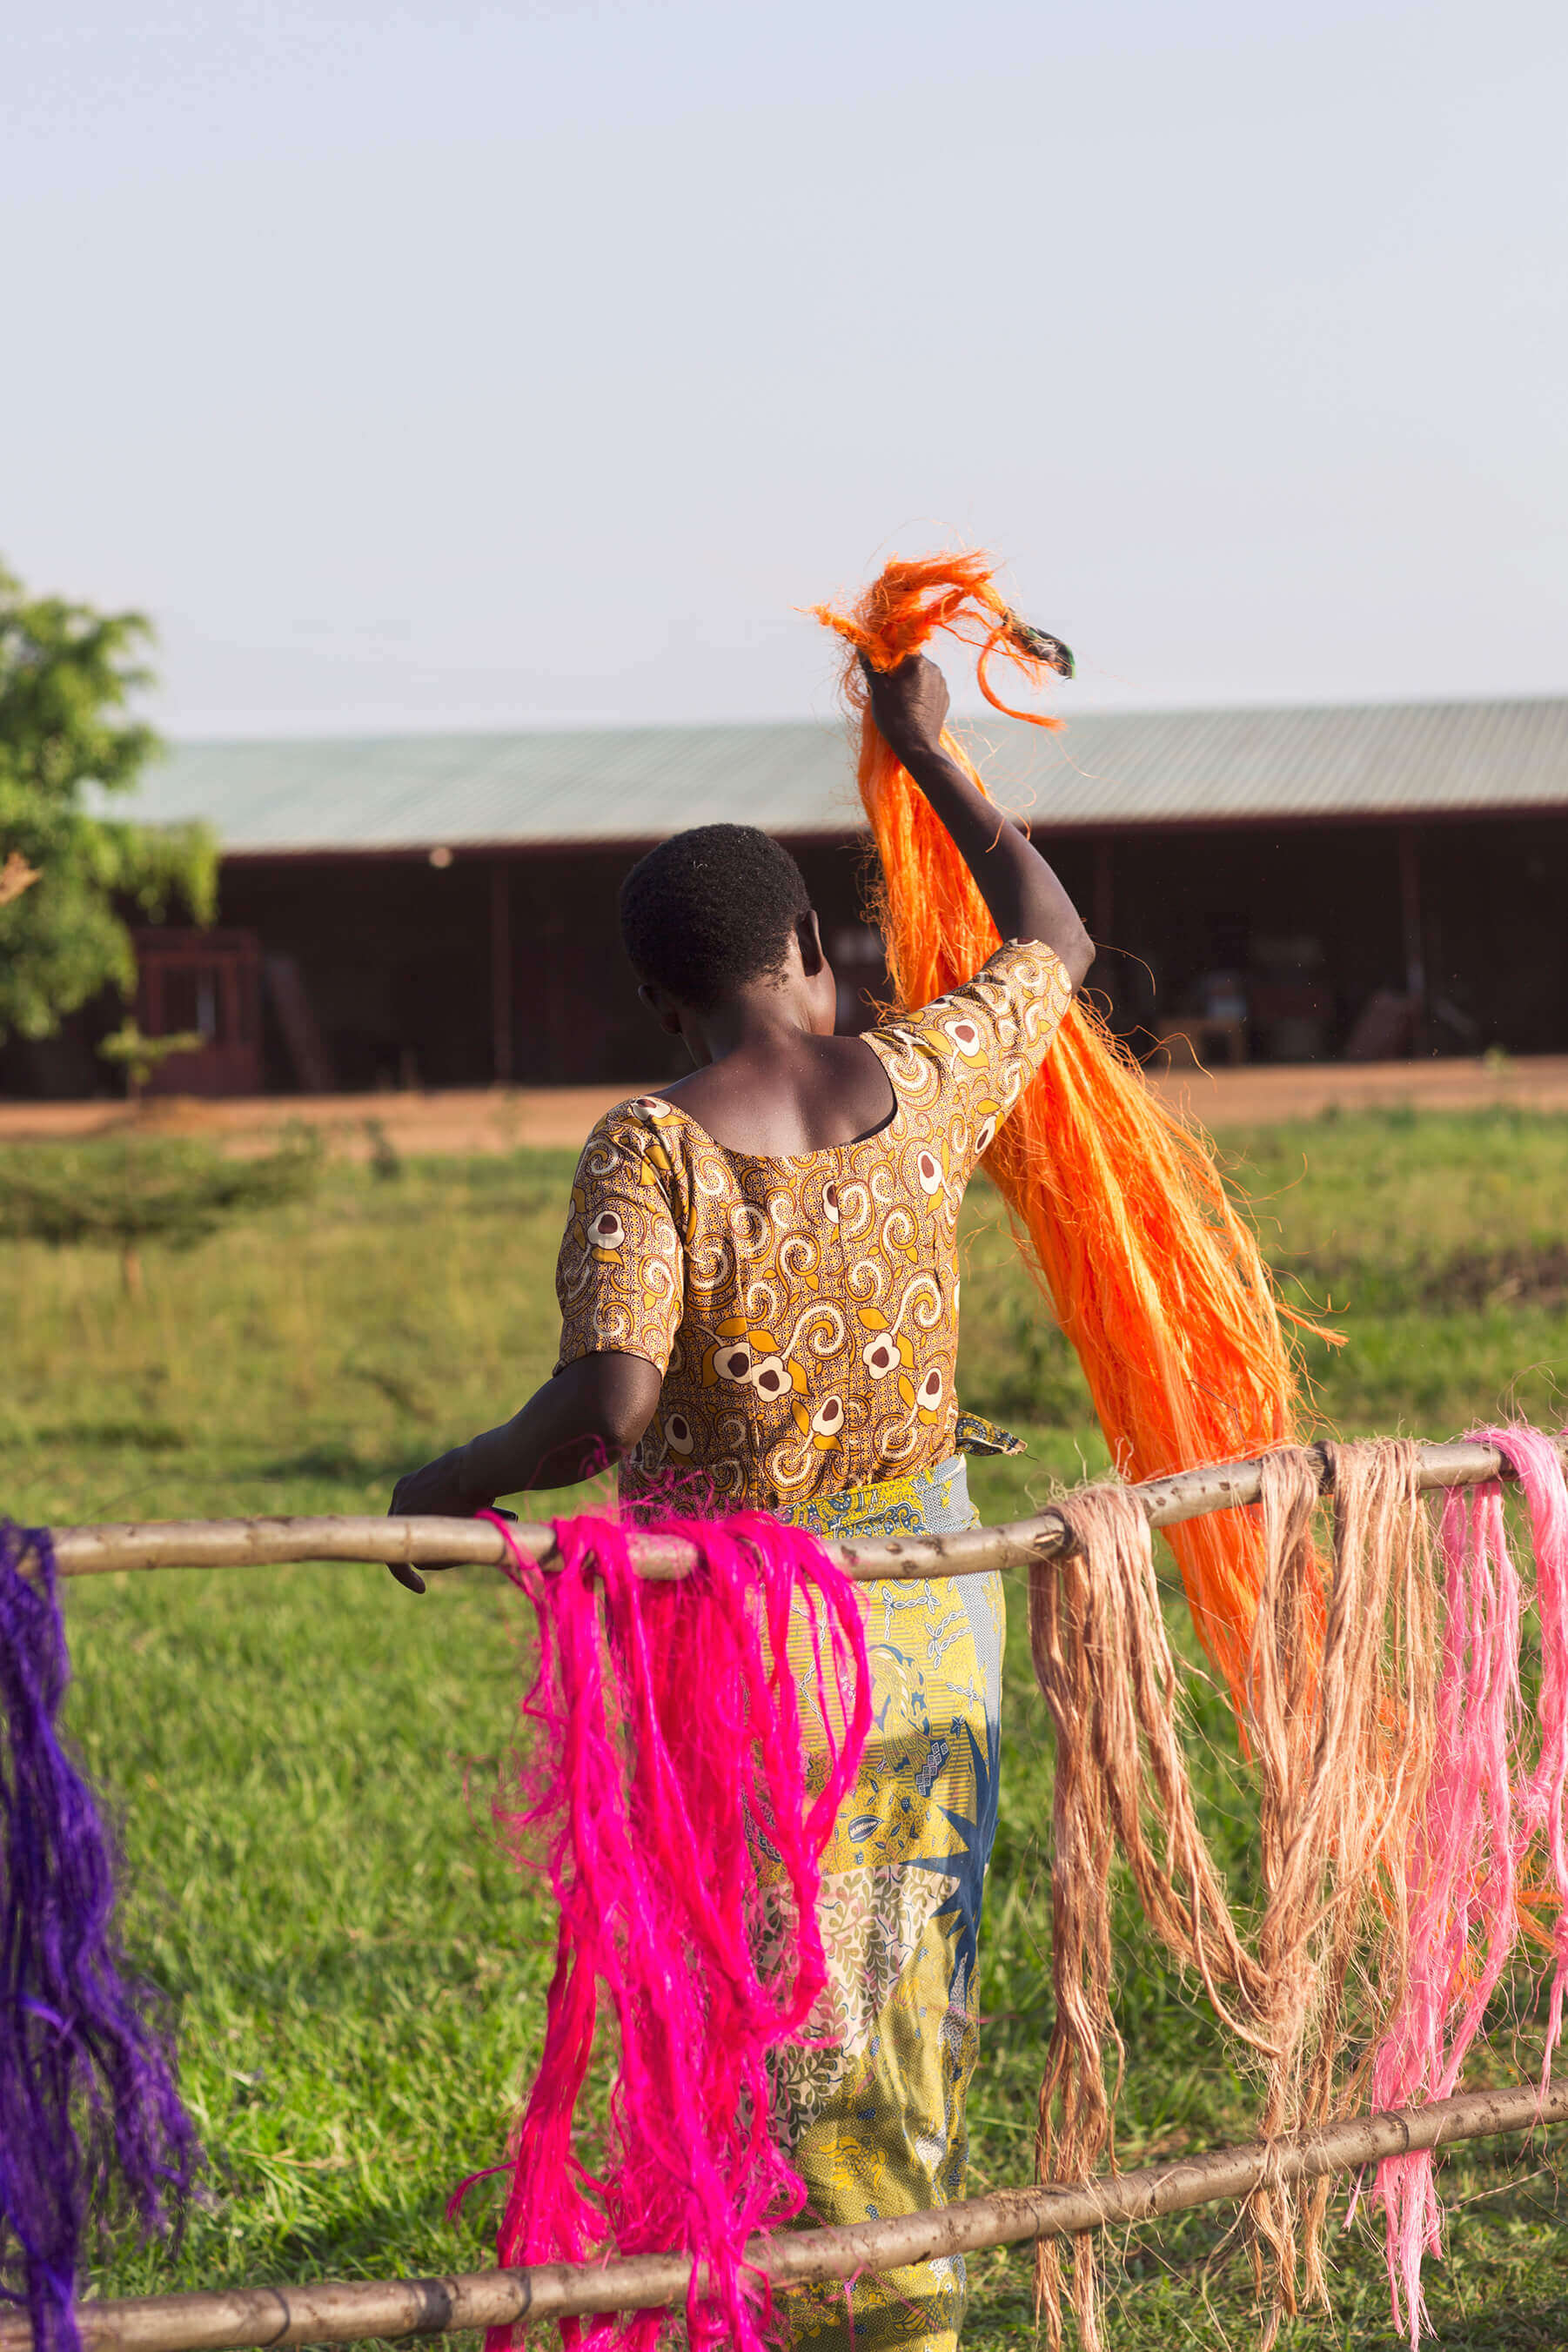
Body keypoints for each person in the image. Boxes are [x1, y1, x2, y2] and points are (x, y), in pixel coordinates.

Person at [390, 653, 1093, 2350]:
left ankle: (828, 2306)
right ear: (814, 953)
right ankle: (881, 2296)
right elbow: (1055, 937)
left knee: (764, 1990)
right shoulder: (920, 1080)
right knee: (896, 1977)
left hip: (750, 1649)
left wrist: (449, 1478)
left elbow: (605, 1404)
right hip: (934, 1608)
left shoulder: (653, 1143)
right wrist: (929, 751)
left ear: (661, 1000)